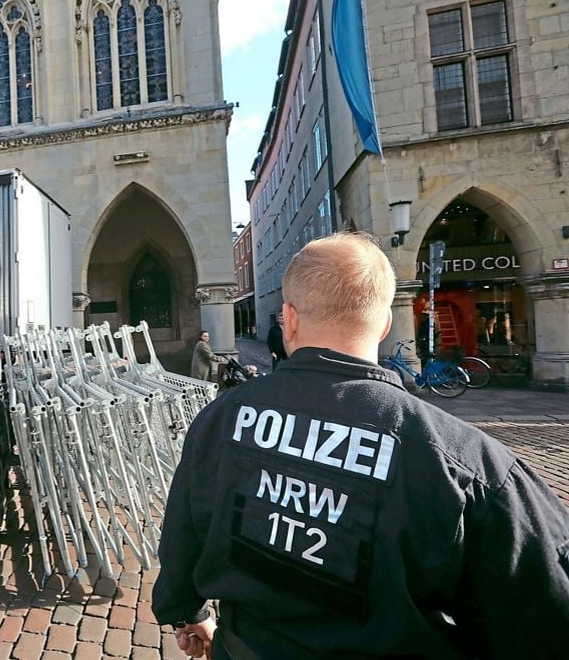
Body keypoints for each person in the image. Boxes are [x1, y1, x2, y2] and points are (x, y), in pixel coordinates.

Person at [152, 233, 569, 658]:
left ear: (289, 319)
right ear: (384, 324)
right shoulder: (463, 460)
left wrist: (187, 611)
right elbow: (547, 608)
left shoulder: (221, 417)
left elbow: (183, 531)